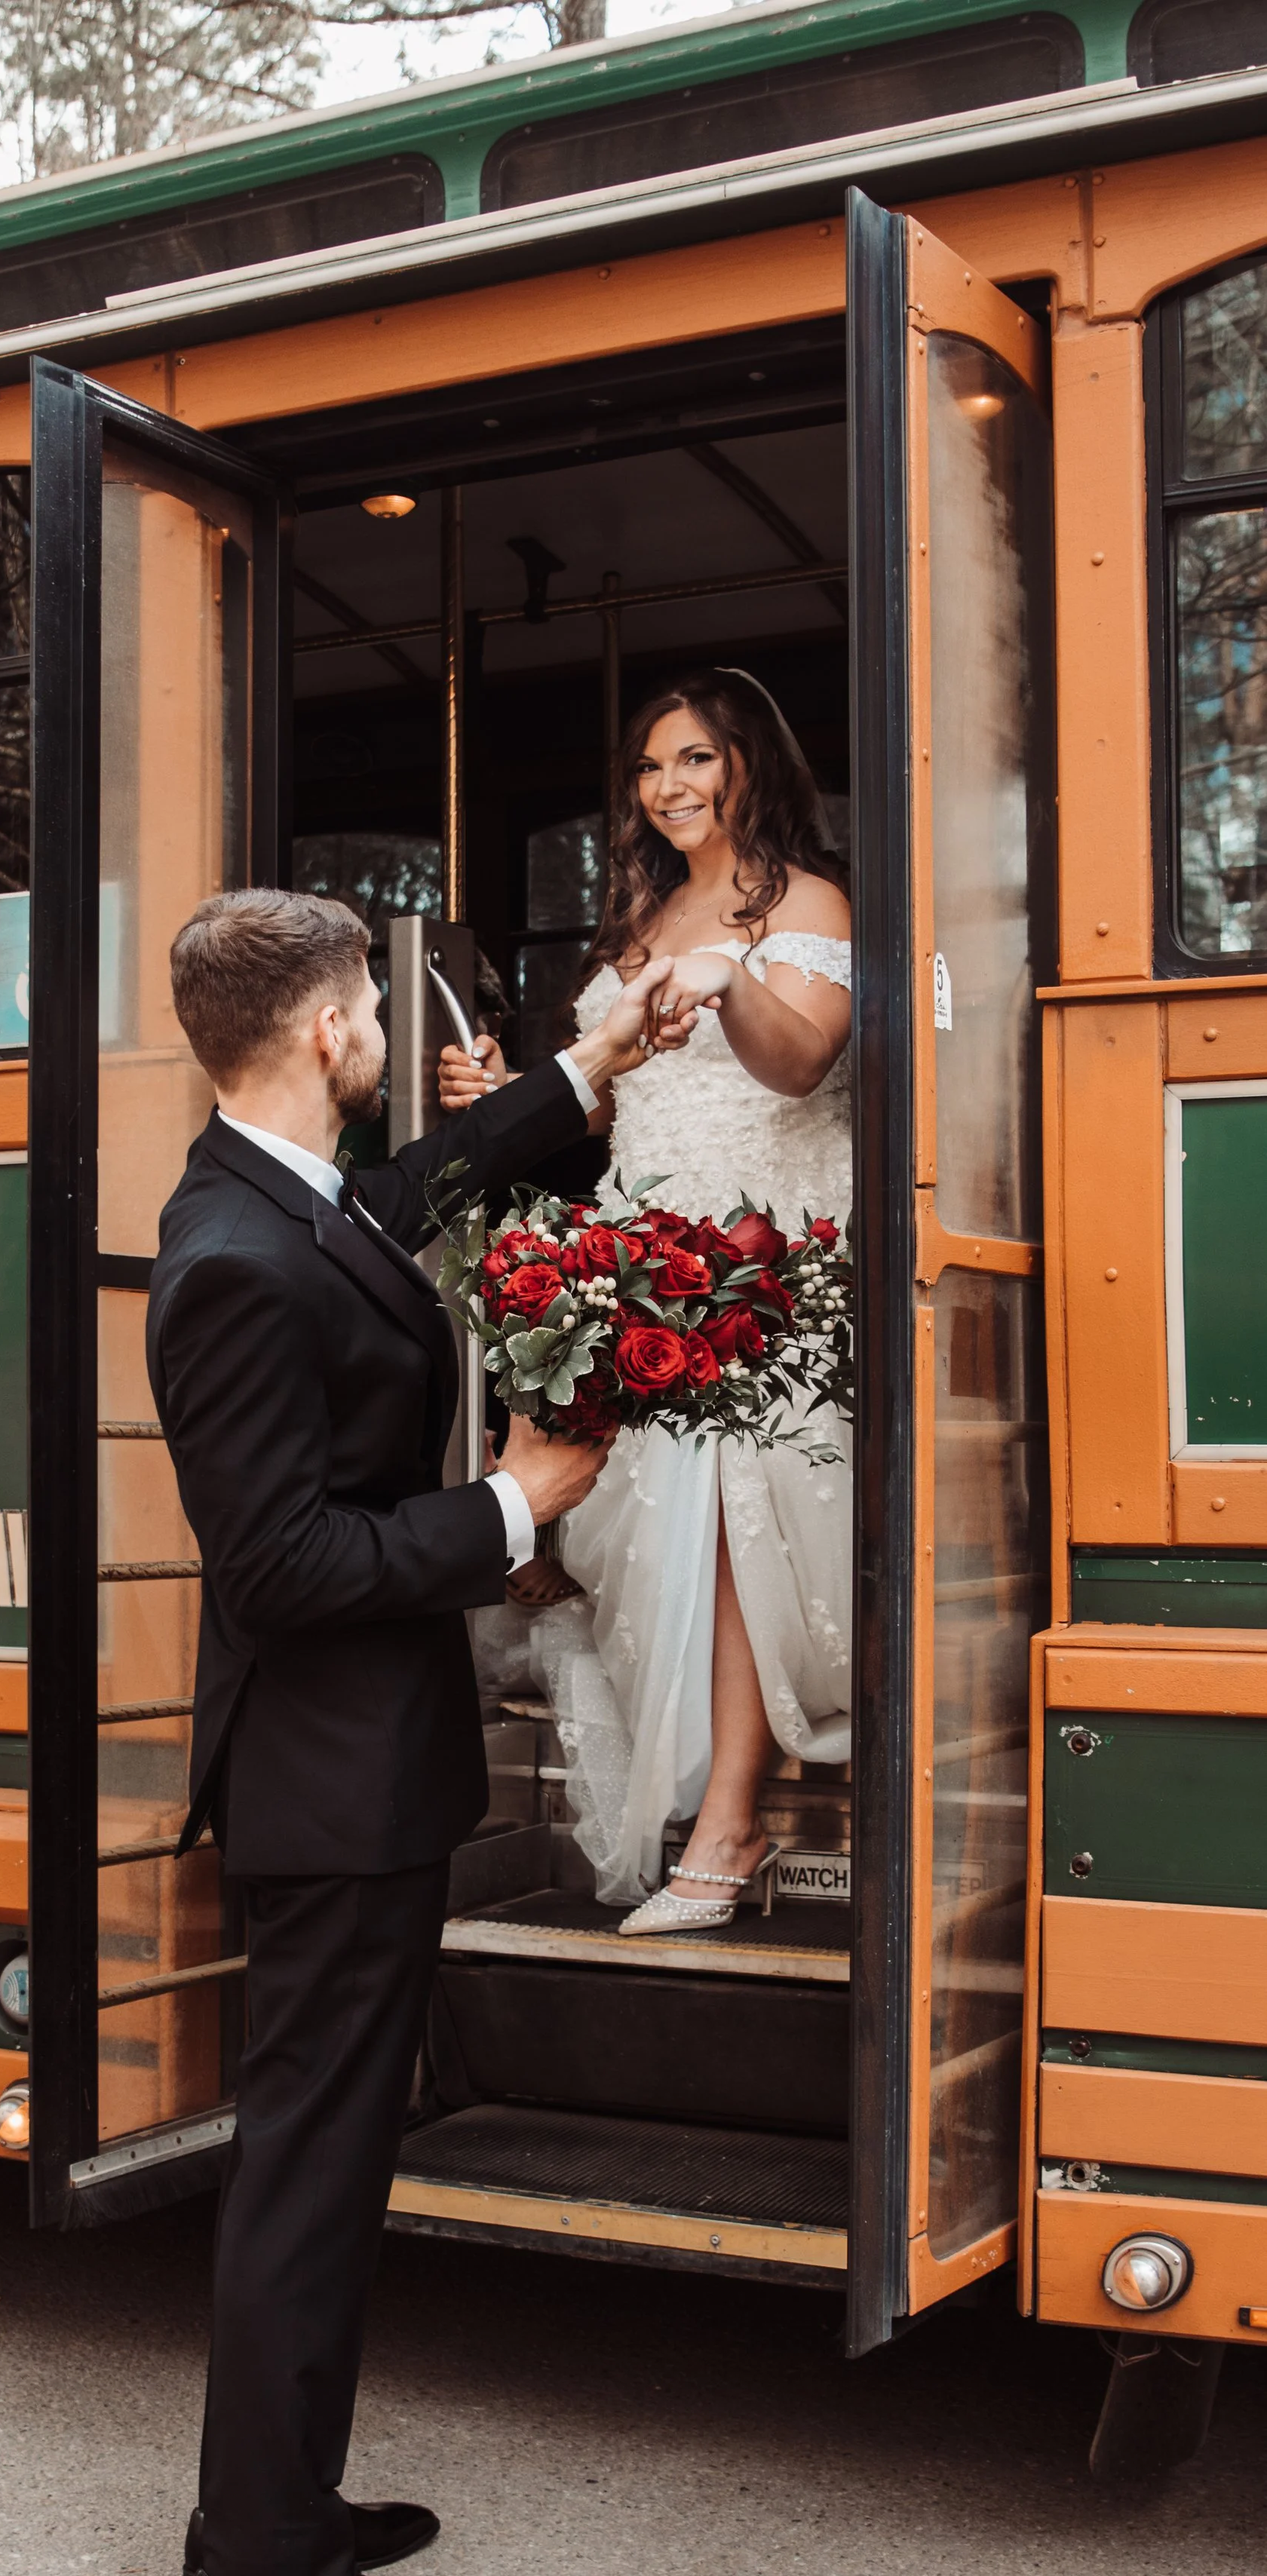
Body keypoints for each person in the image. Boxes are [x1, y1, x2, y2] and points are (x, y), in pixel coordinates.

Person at [149, 888, 657, 2576]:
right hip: (323, 1789)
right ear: (326, 1033)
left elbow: (413, 1193)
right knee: (306, 2177)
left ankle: (274, 2505)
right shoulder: (231, 1256)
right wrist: (512, 1504)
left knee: (327, 2166)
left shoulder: (286, 1196)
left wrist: (585, 1067)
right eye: (373, 1006)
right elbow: (279, 1566)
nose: (383, 1032)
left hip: (353, 1774)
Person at [438, 668, 851, 1933]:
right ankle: (697, 1807)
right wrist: (509, 1091)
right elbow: (622, 1100)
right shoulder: (642, 917)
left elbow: (801, 1063)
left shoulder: (809, 901)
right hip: (642, 1265)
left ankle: (728, 1829)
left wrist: (732, 976)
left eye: (696, 759)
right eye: (651, 766)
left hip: (764, 1266)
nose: (670, 786)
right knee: (633, 1536)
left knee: (731, 1534)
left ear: (751, 763)